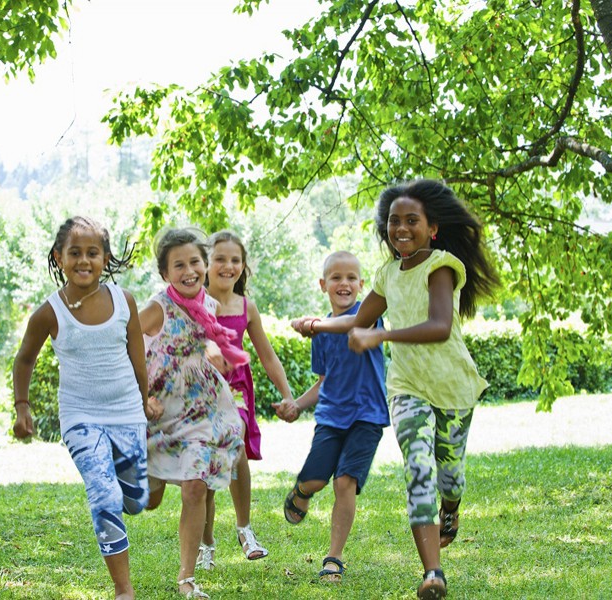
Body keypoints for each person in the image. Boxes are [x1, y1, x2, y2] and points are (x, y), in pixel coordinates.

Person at [291, 180, 498, 600]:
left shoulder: (441, 266)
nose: (401, 228)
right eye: (393, 221)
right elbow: (358, 319)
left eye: (411, 220)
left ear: (432, 228)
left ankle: (451, 508)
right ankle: (433, 574)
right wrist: (316, 325)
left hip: (453, 388)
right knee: (418, 469)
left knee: (450, 479)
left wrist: (381, 337)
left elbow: (439, 326)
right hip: (406, 389)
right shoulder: (387, 274)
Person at [12, 216, 163, 600]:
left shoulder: (124, 300)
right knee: (105, 495)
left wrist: (144, 401)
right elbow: (25, 358)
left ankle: (147, 481)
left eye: (92, 253)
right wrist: (22, 406)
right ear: (58, 257)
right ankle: (123, 589)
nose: (84, 260)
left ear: (105, 258)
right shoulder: (50, 312)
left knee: (135, 501)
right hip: (80, 417)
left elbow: (137, 359)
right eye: (74, 252)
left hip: (127, 413)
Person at [138, 227, 245, 599]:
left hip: (201, 408)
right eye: (179, 265)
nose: (189, 271)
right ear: (165, 273)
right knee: (149, 502)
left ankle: (187, 578)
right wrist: (142, 396)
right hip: (159, 410)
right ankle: (147, 482)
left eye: (195, 262)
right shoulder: (157, 308)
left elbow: (204, 340)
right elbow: (125, 345)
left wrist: (214, 351)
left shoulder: (209, 305)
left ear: (205, 264)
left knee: (195, 487)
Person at [273, 250, 390, 583]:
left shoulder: (368, 316)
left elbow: (354, 324)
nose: (344, 283)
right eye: (336, 277)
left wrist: (313, 324)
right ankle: (301, 492)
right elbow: (323, 382)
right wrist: (297, 405)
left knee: (345, 482)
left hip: (367, 416)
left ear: (362, 284)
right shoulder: (321, 333)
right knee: (316, 480)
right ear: (323, 284)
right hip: (331, 418)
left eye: (351, 278)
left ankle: (333, 558)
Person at [197, 230, 296, 568]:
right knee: (207, 467)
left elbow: (267, 356)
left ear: (243, 266)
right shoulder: (195, 302)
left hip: (235, 388)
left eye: (235, 260)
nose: (228, 266)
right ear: (206, 264)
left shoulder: (246, 306)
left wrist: (287, 395)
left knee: (234, 439)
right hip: (201, 390)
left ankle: (245, 530)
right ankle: (206, 543)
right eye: (220, 259)